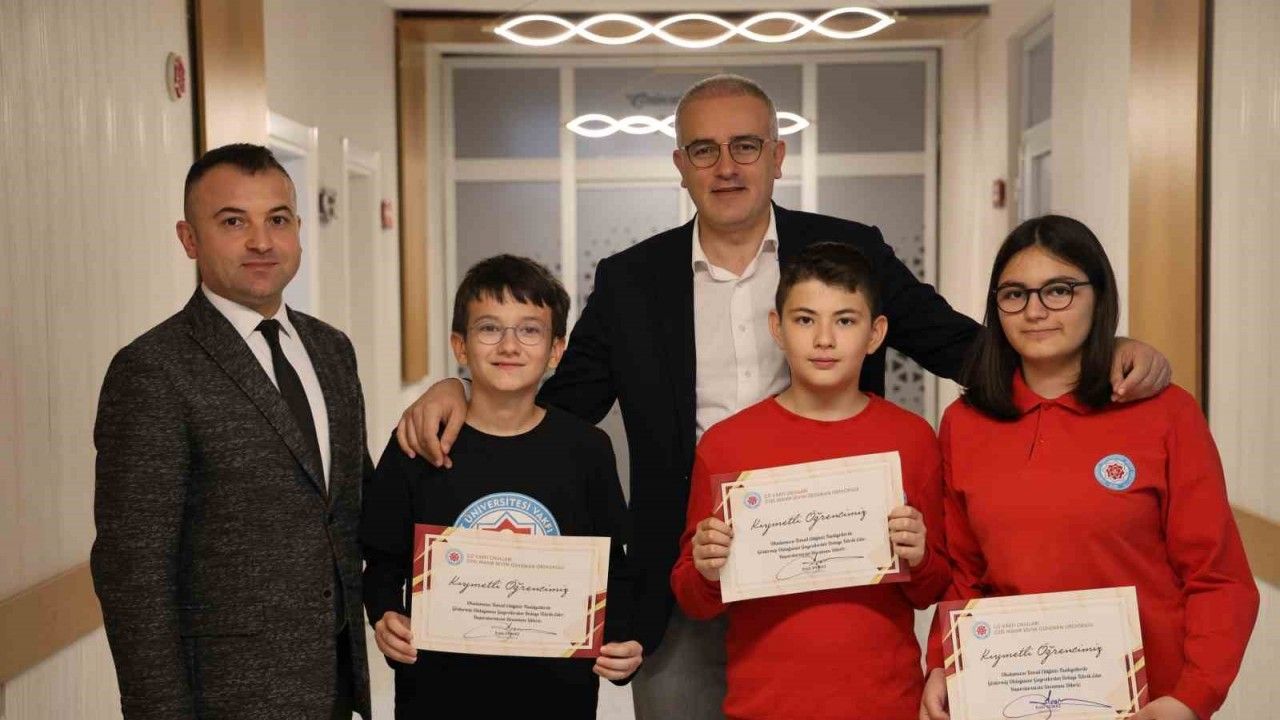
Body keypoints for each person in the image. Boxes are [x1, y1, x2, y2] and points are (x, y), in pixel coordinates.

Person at [396, 75, 1171, 719]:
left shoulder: (850, 249)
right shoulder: (631, 279)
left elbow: (961, 348)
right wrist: (462, 390)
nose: (726, 166)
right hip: (689, 574)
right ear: (680, 165)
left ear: (778, 156)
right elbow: (562, 408)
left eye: (746, 146)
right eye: (705, 150)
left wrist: (1095, 359)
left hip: (835, 581)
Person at [918, 215, 1259, 720]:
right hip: (1011, 700)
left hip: (1151, 704)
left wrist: (1192, 698)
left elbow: (1218, 579)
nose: (1034, 311)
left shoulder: (1165, 414)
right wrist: (943, 665)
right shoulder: (965, 423)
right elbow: (965, 576)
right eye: (1014, 294)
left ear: (1099, 297)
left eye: (1059, 291)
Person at [91, 144, 371, 719]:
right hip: (225, 698)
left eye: (278, 220)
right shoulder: (153, 369)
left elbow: (358, 504)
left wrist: (455, 394)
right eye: (233, 222)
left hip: (334, 685)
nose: (262, 242)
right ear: (189, 239)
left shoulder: (331, 350)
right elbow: (134, 572)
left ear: (299, 231)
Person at [671, 242, 949, 719]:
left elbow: (932, 590)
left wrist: (920, 556)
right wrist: (706, 567)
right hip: (763, 706)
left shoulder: (912, 439)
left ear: (875, 334)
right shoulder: (727, 445)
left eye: (845, 321)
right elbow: (694, 600)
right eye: (804, 320)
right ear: (777, 329)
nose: (824, 339)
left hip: (886, 703)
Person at [361, 255, 644, 718]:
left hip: (556, 698)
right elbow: (382, 560)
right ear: (460, 345)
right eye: (489, 328)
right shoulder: (421, 441)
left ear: (556, 351)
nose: (509, 345)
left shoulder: (588, 450)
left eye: (530, 330)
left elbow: (614, 568)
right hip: (438, 695)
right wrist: (385, 613)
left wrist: (622, 640)